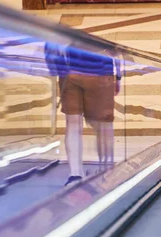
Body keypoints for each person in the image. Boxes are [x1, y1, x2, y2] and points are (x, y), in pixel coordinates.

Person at [45, 43, 121, 186]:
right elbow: (114, 51)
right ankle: (105, 172)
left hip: (70, 71)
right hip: (100, 71)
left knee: (73, 124)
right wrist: (118, 75)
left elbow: (52, 47)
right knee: (103, 126)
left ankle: (75, 175)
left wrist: (56, 68)